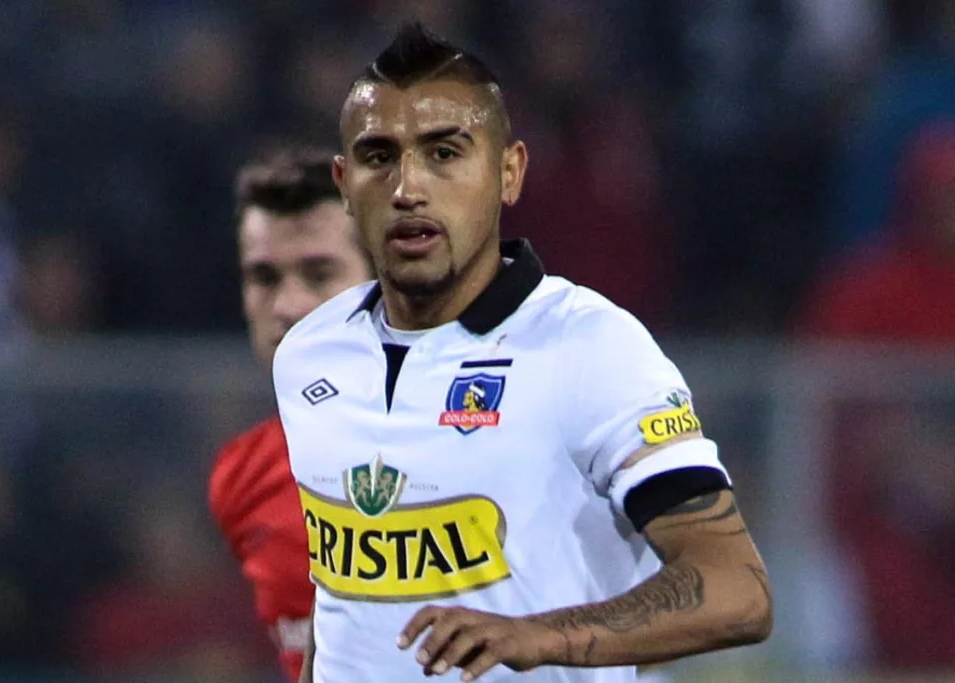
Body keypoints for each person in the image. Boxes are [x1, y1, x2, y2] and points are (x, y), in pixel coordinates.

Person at [272, 23, 773, 683]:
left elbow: (738, 588)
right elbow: (342, 600)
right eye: (378, 156)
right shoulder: (309, 352)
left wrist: (542, 634)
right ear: (343, 182)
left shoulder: (590, 346)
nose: (408, 187)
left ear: (509, 172)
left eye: (444, 153)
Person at [208, 148, 374, 681]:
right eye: (264, 277)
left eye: (319, 272)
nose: (288, 306)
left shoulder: (485, 438)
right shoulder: (242, 479)